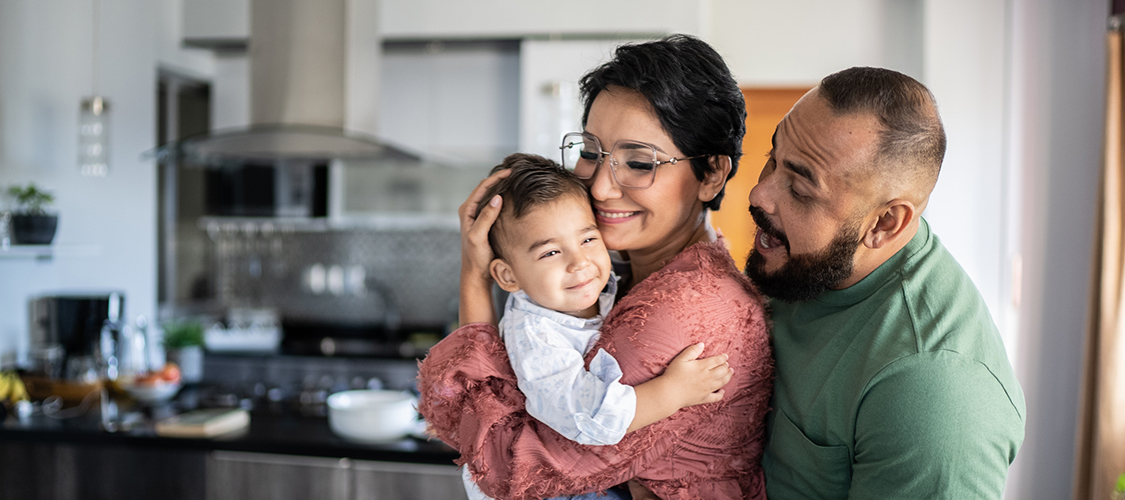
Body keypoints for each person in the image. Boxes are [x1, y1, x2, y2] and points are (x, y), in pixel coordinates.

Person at [417, 35, 774, 500]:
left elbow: (510, 467)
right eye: (590, 151)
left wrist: (473, 278)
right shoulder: (619, 276)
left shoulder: (680, 312)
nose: (601, 187)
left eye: (639, 162)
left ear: (711, 174)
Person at [744, 67, 1026, 498]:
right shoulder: (802, 264)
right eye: (772, 158)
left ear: (885, 223)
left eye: (799, 188)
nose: (759, 195)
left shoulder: (935, 395)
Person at [459, 153, 734, 500]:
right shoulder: (536, 337)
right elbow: (588, 415)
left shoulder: (579, 289)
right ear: (507, 276)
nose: (580, 263)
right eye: (550, 253)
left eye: (589, 240)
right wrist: (673, 392)